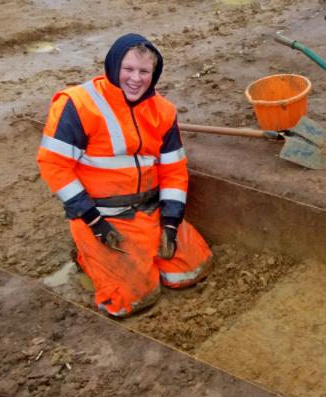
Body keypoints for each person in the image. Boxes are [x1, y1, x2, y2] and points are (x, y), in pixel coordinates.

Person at [37, 33, 212, 318]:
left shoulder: (163, 111)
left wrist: (170, 222)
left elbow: (174, 170)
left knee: (192, 271)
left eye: (144, 71)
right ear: (113, 65)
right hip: (104, 217)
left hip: (150, 211)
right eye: (128, 69)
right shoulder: (78, 105)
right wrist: (93, 221)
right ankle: (88, 255)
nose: (135, 79)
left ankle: (140, 250)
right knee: (134, 300)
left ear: (154, 74)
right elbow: (53, 166)